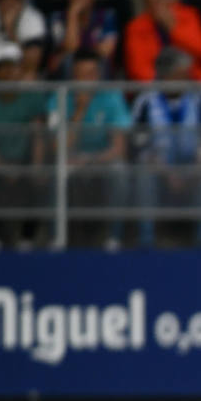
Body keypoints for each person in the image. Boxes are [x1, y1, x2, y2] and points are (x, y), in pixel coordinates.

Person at [130, 47, 201, 248]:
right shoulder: (145, 101)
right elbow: (138, 144)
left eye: (185, 74)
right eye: (177, 74)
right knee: (144, 174)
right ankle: (146, 240)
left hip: (192, 165)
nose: (183, 78)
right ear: (163, 74)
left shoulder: (200, 98)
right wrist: (165, 172)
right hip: (159, 168)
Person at [0, 41, 48, 250]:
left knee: (39, 178)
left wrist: (36, 165)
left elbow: (38, 137)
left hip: (24, 160)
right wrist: (3, 168)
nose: (9, 73)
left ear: (21, 70)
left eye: (13, 67)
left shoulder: (32, 100)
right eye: (3, 67)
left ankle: (27, 238)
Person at [51, 46, 131, 250]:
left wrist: (89, 160)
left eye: (92, 74)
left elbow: (118, 148)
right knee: (56, 171)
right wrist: (79, 110)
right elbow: (57, 148)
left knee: (118, 170)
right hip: (70, 159)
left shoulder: (112, 97)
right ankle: (59, 238)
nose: (87, 80)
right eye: (81, 75)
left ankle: (114, 237)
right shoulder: (58, 98)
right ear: (72, 75)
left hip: (101, 159)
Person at [124, 0, 201, 81]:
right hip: (154, 85)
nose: (155, 6)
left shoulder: (188, 16)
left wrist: (173, 28)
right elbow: (138, 67)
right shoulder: (137, 27)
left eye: (159, 0)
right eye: (150, 1)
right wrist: (164, 82)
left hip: (191, 81)